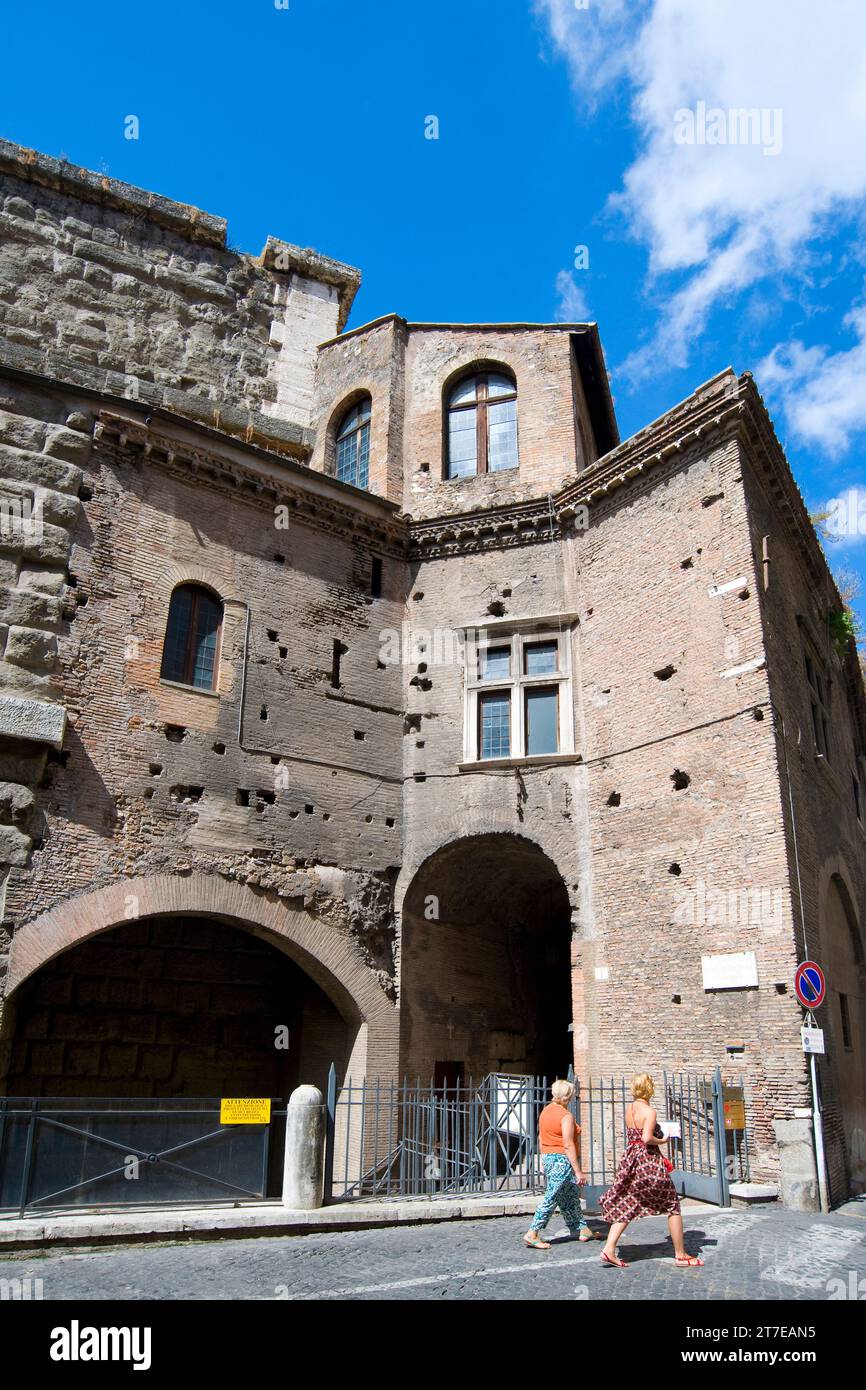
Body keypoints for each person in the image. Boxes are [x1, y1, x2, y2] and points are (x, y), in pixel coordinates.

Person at [598, 1072, 703, 1268]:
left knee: (628, 1201)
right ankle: (680, 1254)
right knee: (673, 1204)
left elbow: (635, 1135)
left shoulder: (629, 1109)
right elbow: (646, 1139)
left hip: (631, 1159)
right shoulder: (649, 1111)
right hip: (648, 1161)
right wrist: (662, 1139)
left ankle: (609, 1248)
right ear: (649, 1089)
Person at [523, 1078, 599, 1250]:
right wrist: (578, 1171)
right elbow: (568, 1144)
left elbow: (541, 1137)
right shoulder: (565, 1116)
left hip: (550, 1158)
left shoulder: (546, 1111)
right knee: (553, 1196)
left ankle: (582, 1229)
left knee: (570, 1195)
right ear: (569, 1096)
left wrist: (544, 1158)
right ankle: (532, 1233)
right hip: (561, 1160)